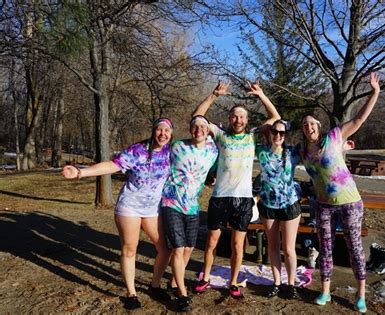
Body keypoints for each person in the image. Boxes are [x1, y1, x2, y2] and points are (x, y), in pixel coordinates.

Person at [61, 118, 174, 310]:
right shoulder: (137, 150)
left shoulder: (171, 153)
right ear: (153, 131)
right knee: (130, 248)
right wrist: (80, 172)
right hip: (129, 206)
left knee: (165, 249)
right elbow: (112, 165)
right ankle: (131, 293)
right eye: (159, 129)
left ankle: (155, 285)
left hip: (152, 209)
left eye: (167, 131)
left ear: (171, 135)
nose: (162, 134)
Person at [300, 73, 380, 313]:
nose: (309, 126)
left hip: (350, 203)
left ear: (319, 126)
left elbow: (358, 119)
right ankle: (324, 291)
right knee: (325, 248)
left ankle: (361, 295)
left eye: (313, 123)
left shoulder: (334, 137)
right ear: (303, 130)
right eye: (305, 124)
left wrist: (374, 92)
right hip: (323, 205)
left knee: (355, 247)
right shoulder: (303, 151)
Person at [192, 81, 280, 298]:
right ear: (229, 119)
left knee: (237, 244)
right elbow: (197, 117)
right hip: (220, 197)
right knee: (212, 241)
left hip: (243, 199)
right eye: (234, 116)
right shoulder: (221, 135)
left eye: (242, 116)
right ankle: (205, 278)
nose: (238, 120)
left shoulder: (252, 136)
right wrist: (214, 95)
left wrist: (261, 95)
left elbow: (276, 118)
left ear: (247, 120)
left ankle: (233, 282)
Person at [159, 116, 218, 311]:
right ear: (190, 129)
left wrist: (212, 178)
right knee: (178, 247)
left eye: (203, 126)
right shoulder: (176, 146)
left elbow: (215, 170)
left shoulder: (213, 150)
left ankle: (175, 281)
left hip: (193, 206)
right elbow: (157, 155)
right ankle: (182, 294)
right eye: (195, 126)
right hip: (171, 202)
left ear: (208, 131)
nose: (199, 129)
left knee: (189, 248)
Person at [255, 119, 301, 299]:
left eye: (282, 133)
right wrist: (264, 127)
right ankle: (276, 282)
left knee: (288, 248)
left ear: (286, 136)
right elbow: (257, 130)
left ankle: (290, 284)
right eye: (275, 132)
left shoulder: (292, 153)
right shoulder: (261, 151)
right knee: (272, 246)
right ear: (270, 132)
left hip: (289, 205)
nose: (278, 136)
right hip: (268, 206)